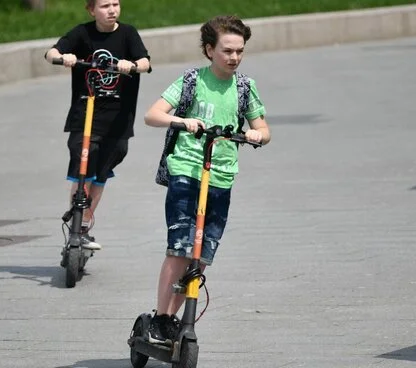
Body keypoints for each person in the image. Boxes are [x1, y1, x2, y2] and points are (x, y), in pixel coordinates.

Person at [142, 15, 270, 344]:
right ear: (210, 50)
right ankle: (161, 318)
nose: (235, 57)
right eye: (228, 51)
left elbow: (264, 130)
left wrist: (257, 134)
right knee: (181, 246)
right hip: (186, 169)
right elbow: (152, 115)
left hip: (222, 175)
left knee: (202, 253)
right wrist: (183, 122)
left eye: (240, 51)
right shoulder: (191, 81)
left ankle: (176, 318)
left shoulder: (245, 87)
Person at [44, 0, 151, 250]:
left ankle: (84, 224)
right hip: (85, 113)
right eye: (104, 6)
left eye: (116, 4)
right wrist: (63, 57)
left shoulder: (128, 34)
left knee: (104, 168)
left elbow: (145, 62)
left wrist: (132, 65)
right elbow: (50, 53)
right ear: (92, 10)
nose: (112, 10)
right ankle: (75, 225)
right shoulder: (82, 33)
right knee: (83, 159)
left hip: (117, 117)